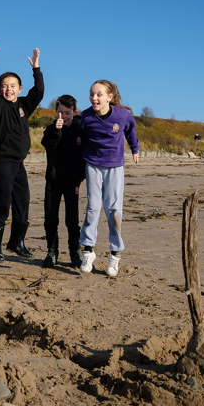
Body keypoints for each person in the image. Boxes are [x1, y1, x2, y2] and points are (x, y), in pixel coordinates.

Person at [0, 38, 44, 263]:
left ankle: (17, 241)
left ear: (19, 88)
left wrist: (36, 68)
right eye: (4, 86)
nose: (9, 89)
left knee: (23, 202)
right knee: (3, 206)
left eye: (13, 86)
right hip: (2, 163)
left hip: (19, 164)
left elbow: (39, 91)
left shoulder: (24, 106)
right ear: (0, 90)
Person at [78, 80, 139, 276]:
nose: (94, 98)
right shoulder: (86, 116)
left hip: (115, 167)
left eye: (99, 95)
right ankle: (87, 251)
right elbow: (81, 138)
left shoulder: (122, 115)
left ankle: (114, 256)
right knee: (92, 208)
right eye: (91, 94)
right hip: (93, 166)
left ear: (109, 98)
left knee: (114, 210)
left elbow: (130, 130)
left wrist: (135, 149)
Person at [41, 95, 85, 268]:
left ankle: (75, 250)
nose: (64, 116)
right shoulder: (51, 129)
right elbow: (47, 144)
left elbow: (86, 154)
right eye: (61, 113)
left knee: (72, 220)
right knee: (51, 219)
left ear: (74, 112)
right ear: (56, 112)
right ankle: (52, 251)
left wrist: (81, 176)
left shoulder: (81, 129)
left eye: (68, 113)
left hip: (73, 181)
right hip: (53, 181)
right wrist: (57, 130)